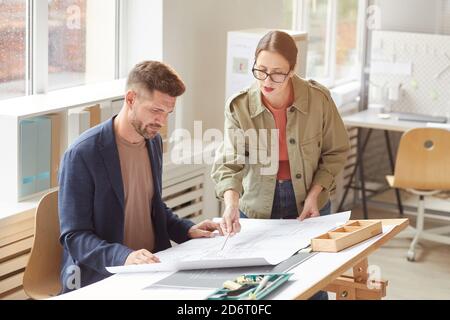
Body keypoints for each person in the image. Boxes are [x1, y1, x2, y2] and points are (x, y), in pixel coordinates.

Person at [58, 61, 220, 293]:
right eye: (155, 110)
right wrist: (125, 256)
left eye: (167, 113)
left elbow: (151, 207)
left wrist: (186, 230)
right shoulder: (83, 154)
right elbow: (74, 236)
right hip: (105, 276)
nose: (162, 122)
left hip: (153, 267)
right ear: (131, 99)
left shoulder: (152, 141)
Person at [211, 32, 350, 299]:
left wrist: (315, 194)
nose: (267, 80)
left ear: (293, 70)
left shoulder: (318, 99)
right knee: (257, 289)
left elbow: (335, 151)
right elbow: (229, 163)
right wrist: (231, 204)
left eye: (277, 73)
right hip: (257, 207)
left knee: (311, 284)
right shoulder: (239, 106)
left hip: (309, 203)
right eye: (260, 70)